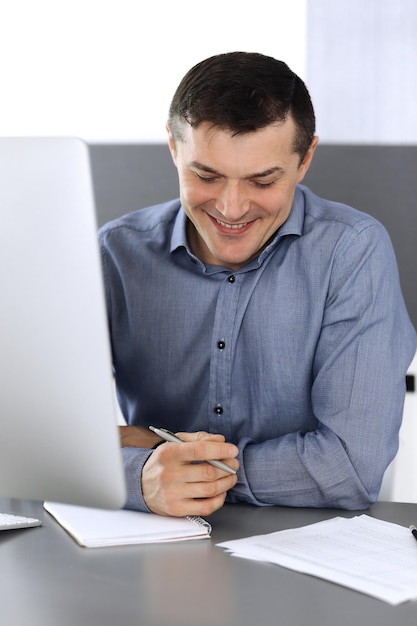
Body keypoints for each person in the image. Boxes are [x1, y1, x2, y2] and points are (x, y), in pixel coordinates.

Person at [99, 51, 416, 517]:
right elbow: (39, 437)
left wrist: (156, 455)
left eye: (262, 181)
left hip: (305, 556)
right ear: (173, 147)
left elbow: (349, 469)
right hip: (149, 550)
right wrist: (140, 477)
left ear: (305, 159)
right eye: (205, 175)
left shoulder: (352, 252)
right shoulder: (115, 253)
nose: (231, 208)